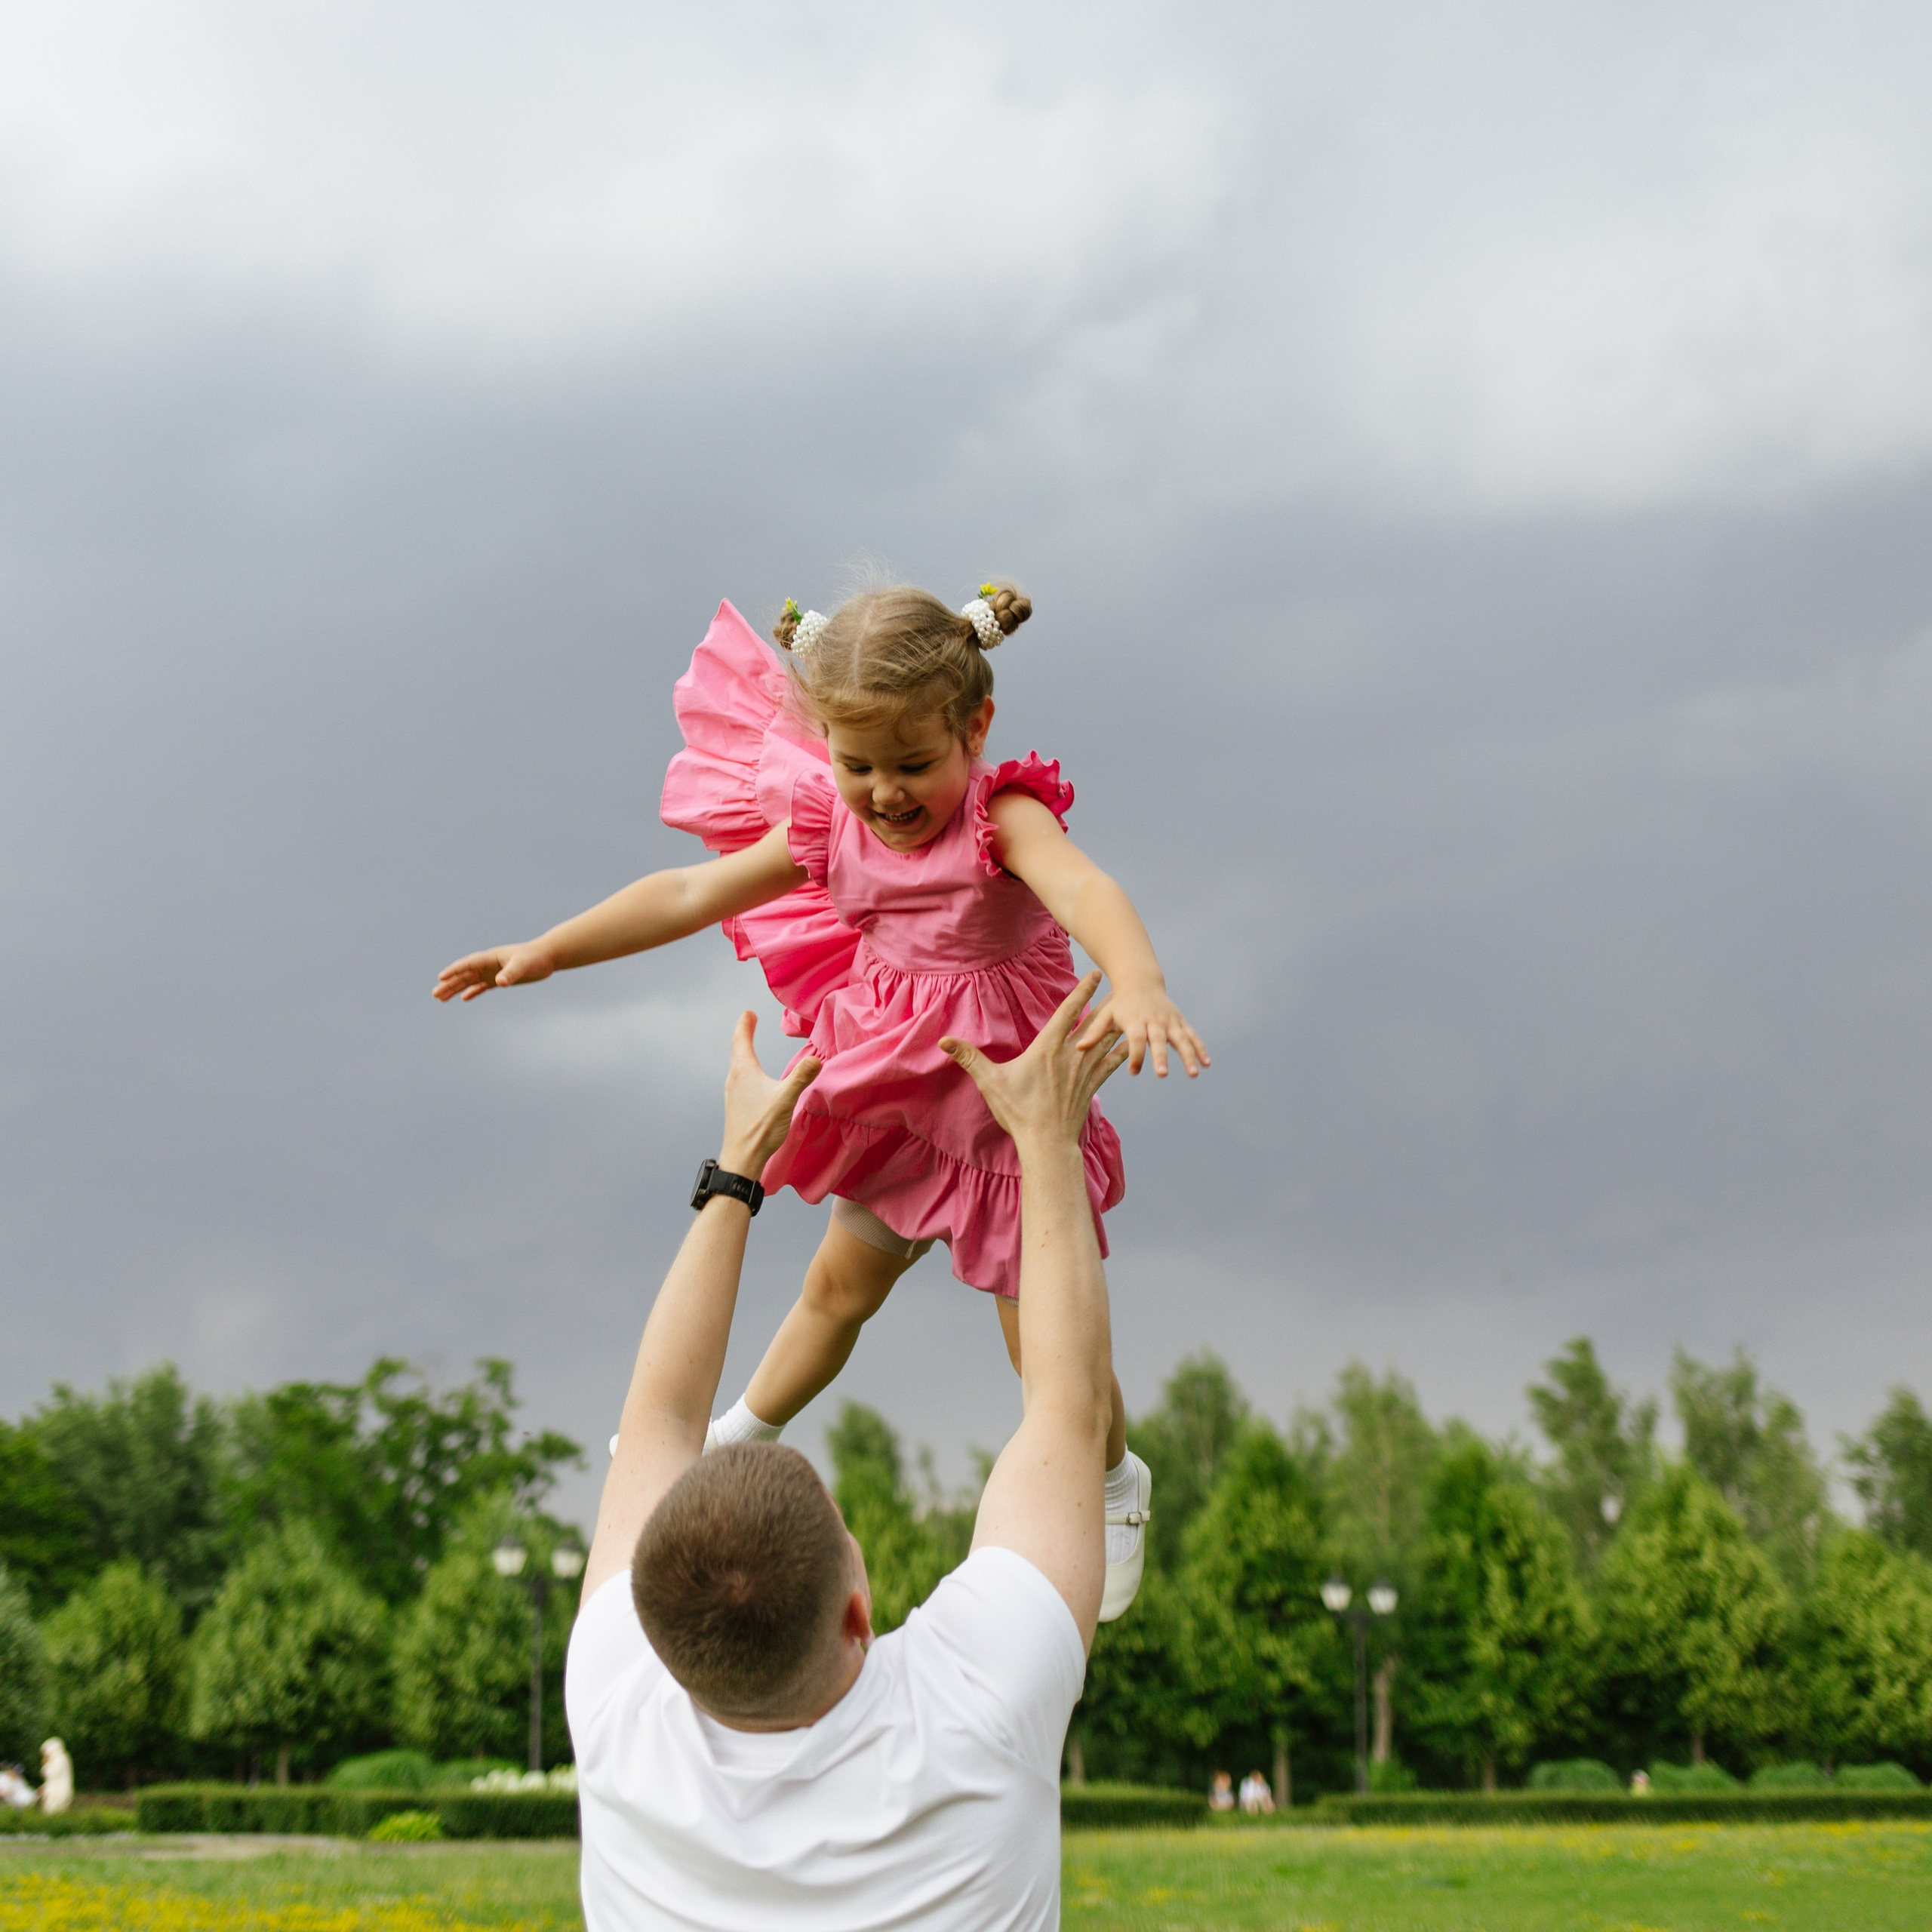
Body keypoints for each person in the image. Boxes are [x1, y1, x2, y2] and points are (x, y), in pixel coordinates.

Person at [439, 583, 1205, 1617]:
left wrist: (1141, 979)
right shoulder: (827, 825)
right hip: (897, 1088)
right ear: (826, 748)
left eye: (912, 765)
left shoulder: (1000, 816)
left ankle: (1113, 1484)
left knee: (1055, 1361)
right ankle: (730, 1439)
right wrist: (549, 951)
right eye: (857, 767)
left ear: (974, 729)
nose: (885, 793)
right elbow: (685, 894)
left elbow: (1086, 893)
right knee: (837, 1291)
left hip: (1009, 1115)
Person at [566, 974, 1130, 1930]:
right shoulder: (974, 1706)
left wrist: (744, 1165)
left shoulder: (621, 1713)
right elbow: (1072, 1408)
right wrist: (1043, 1138)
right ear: (858, 1609)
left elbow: (660, 1416)